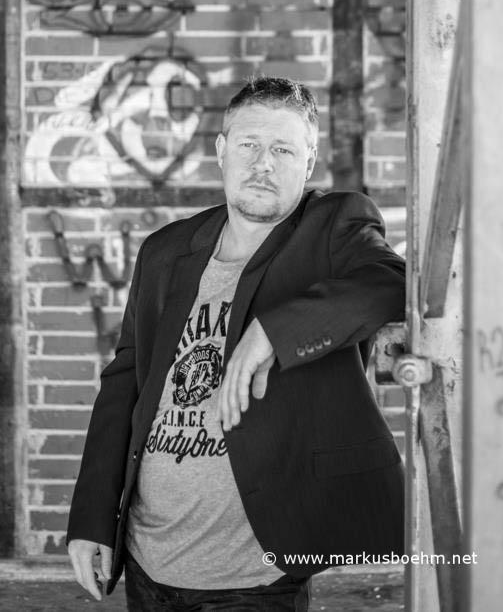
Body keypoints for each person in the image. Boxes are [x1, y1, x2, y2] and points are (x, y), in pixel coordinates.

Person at [67, 76, 406, 611]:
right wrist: (91, 517)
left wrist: (273, 332)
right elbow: (124, 383)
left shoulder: (335, 228)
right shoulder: (165, 250)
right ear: (222, 151)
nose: (262, 163)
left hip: (257, 573)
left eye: (283, 149)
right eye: (249, 144)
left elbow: (392, 283)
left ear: (309, 161)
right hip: (148, 558)